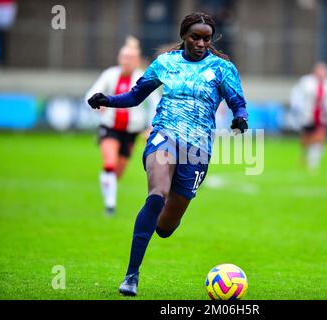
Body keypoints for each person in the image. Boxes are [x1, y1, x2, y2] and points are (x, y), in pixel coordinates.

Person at [87, 12, 248, 296]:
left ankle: (162, 220)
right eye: (195, 37)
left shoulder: (223, 69)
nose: (201, 43)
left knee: (165, 226)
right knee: (156, 194)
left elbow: (237, 102)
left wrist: (240, 118)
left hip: (198, 148)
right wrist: (108, 100)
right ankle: (131, 276)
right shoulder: (165, 63)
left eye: (206, 39)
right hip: (164, 135)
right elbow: (136, 95)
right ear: (184, 36)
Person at [85, 36, 160, 215]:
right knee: (109, 164)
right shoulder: (109, 75)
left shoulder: (142, 78)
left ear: (137, 60)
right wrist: (98, 107)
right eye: (124, 57)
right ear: (120, 58)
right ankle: (110, 207)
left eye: (131, 58)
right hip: (109, 128)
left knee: (116, 174)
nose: (127, 61)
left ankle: (107, 185)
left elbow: (155, 103)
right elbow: (90, 95)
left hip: (131, 132)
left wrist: (151, 127)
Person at [290, 62, 327, 171]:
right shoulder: (306, 82)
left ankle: (313, 164)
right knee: (306, 141)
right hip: (307, 116)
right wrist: (296, 107)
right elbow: (296, 95)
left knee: (319, 139)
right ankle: (305, 155)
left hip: (322, 117)